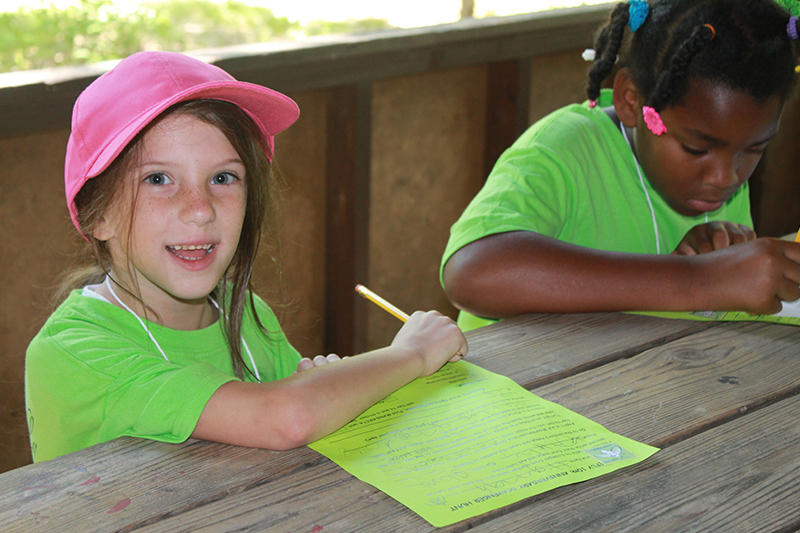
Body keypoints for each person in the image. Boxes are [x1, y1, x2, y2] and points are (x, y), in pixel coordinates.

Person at [25, 51, 467, 463]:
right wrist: (411, 354)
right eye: (158, 178)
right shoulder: (72, 352)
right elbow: (287, 418)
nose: (200, 208)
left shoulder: (247, 311)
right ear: (98, 216)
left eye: (223, 177)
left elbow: (300, 414)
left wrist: (328, 387)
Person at [441, 0, 800, 331]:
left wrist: (709, 260)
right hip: (509, 391)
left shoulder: (721, 159)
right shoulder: (564, 148)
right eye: (694, 148)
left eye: (755, 150)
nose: (727, 177)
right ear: (632, 100)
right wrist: (698, 277)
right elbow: (471, 272)